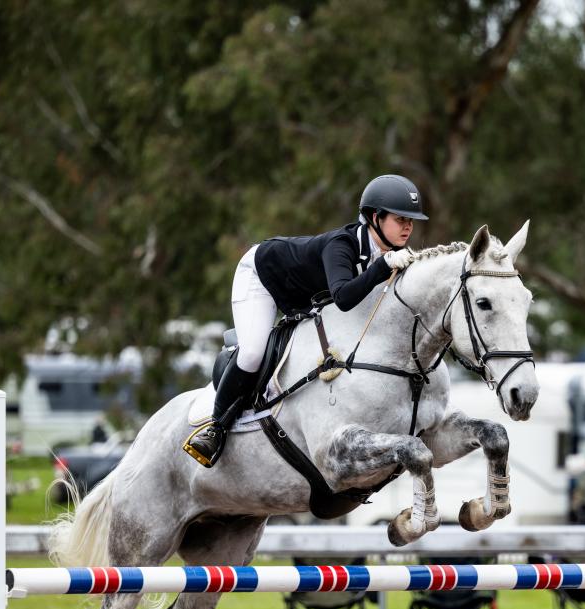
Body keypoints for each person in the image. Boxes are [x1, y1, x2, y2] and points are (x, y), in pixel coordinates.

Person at [183, 174, 429, 467]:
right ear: (375, 217)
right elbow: (344, 298)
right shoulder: (343, 245)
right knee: (251, 353)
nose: (408, 227)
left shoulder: (391, 254)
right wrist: (380, 268)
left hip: (302, 296)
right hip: (262, 277)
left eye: (411, 220)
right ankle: (215, 427)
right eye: (401, 218)